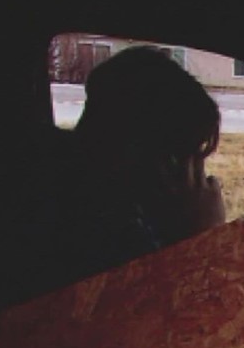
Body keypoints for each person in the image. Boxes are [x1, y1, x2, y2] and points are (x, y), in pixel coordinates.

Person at [48, 46, 227, 285]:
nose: (191, 176)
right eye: (179, 157)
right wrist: (199, 240)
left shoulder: (81, 192)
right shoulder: (96, 231)